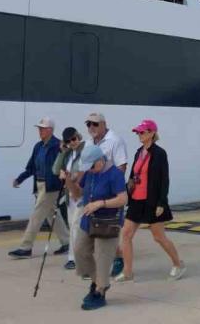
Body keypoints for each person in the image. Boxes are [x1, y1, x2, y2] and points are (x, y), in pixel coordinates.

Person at [114, 119, 185, 282]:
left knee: (159, 237)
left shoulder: (159, 153)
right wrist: (126, 191)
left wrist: (161, 203)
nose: (139, 135)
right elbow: (133, 175)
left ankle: (178, 264)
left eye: (142, 132)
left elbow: (164, 180)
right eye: (138, 132)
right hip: (136, 200)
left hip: (152, 201)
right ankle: (127, 272)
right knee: (126, 234)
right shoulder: (139, 152)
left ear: (152, 133)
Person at [67, 144, 127, 310]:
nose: (90, 170)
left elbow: (123, 199)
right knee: (79, 251)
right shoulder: (90, 173)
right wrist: (68, 181)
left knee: (102, 257)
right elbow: (77, 194)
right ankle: (97, 282)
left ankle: (100, 291)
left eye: (92, 166)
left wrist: (101, 203)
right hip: (88, 220)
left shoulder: (115, 174)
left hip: (107, 222)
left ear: (100, 160)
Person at [8, 117, 70, 258]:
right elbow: (32, 167)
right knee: (52, 215)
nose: (40, 131)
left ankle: (26, 247)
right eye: (39, 128)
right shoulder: (38, 146)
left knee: (36, 215)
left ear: (50, 130)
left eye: (43, 129)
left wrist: (64, 183)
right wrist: (19, 179)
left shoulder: (57, 145)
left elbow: (64, 164)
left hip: (51, 187)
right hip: (40, 185)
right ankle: (67, 242)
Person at [85, 112, 128, 276]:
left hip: (110, 193)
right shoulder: (89, 142)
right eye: (88, 124)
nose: (91, 127)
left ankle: (119, 259)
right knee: (95, 229)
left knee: (109, 229)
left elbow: (121, 166)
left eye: (95, 124)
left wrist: (113, 189)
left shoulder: (115, 141)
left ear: (104, 124)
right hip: (92, 193)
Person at [52, 127, 85, 270]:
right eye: (68, 141)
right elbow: (55, 170)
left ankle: (74, 258)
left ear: (79, 136)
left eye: (74, 139)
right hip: (69, 195)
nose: (72, 142)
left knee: (76, 225)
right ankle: (76, 257)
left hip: (81, 194)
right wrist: (62, 152)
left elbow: (85, 171)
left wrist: (72, 176)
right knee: (73, 226)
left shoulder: (86, 151)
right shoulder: (68, 154)